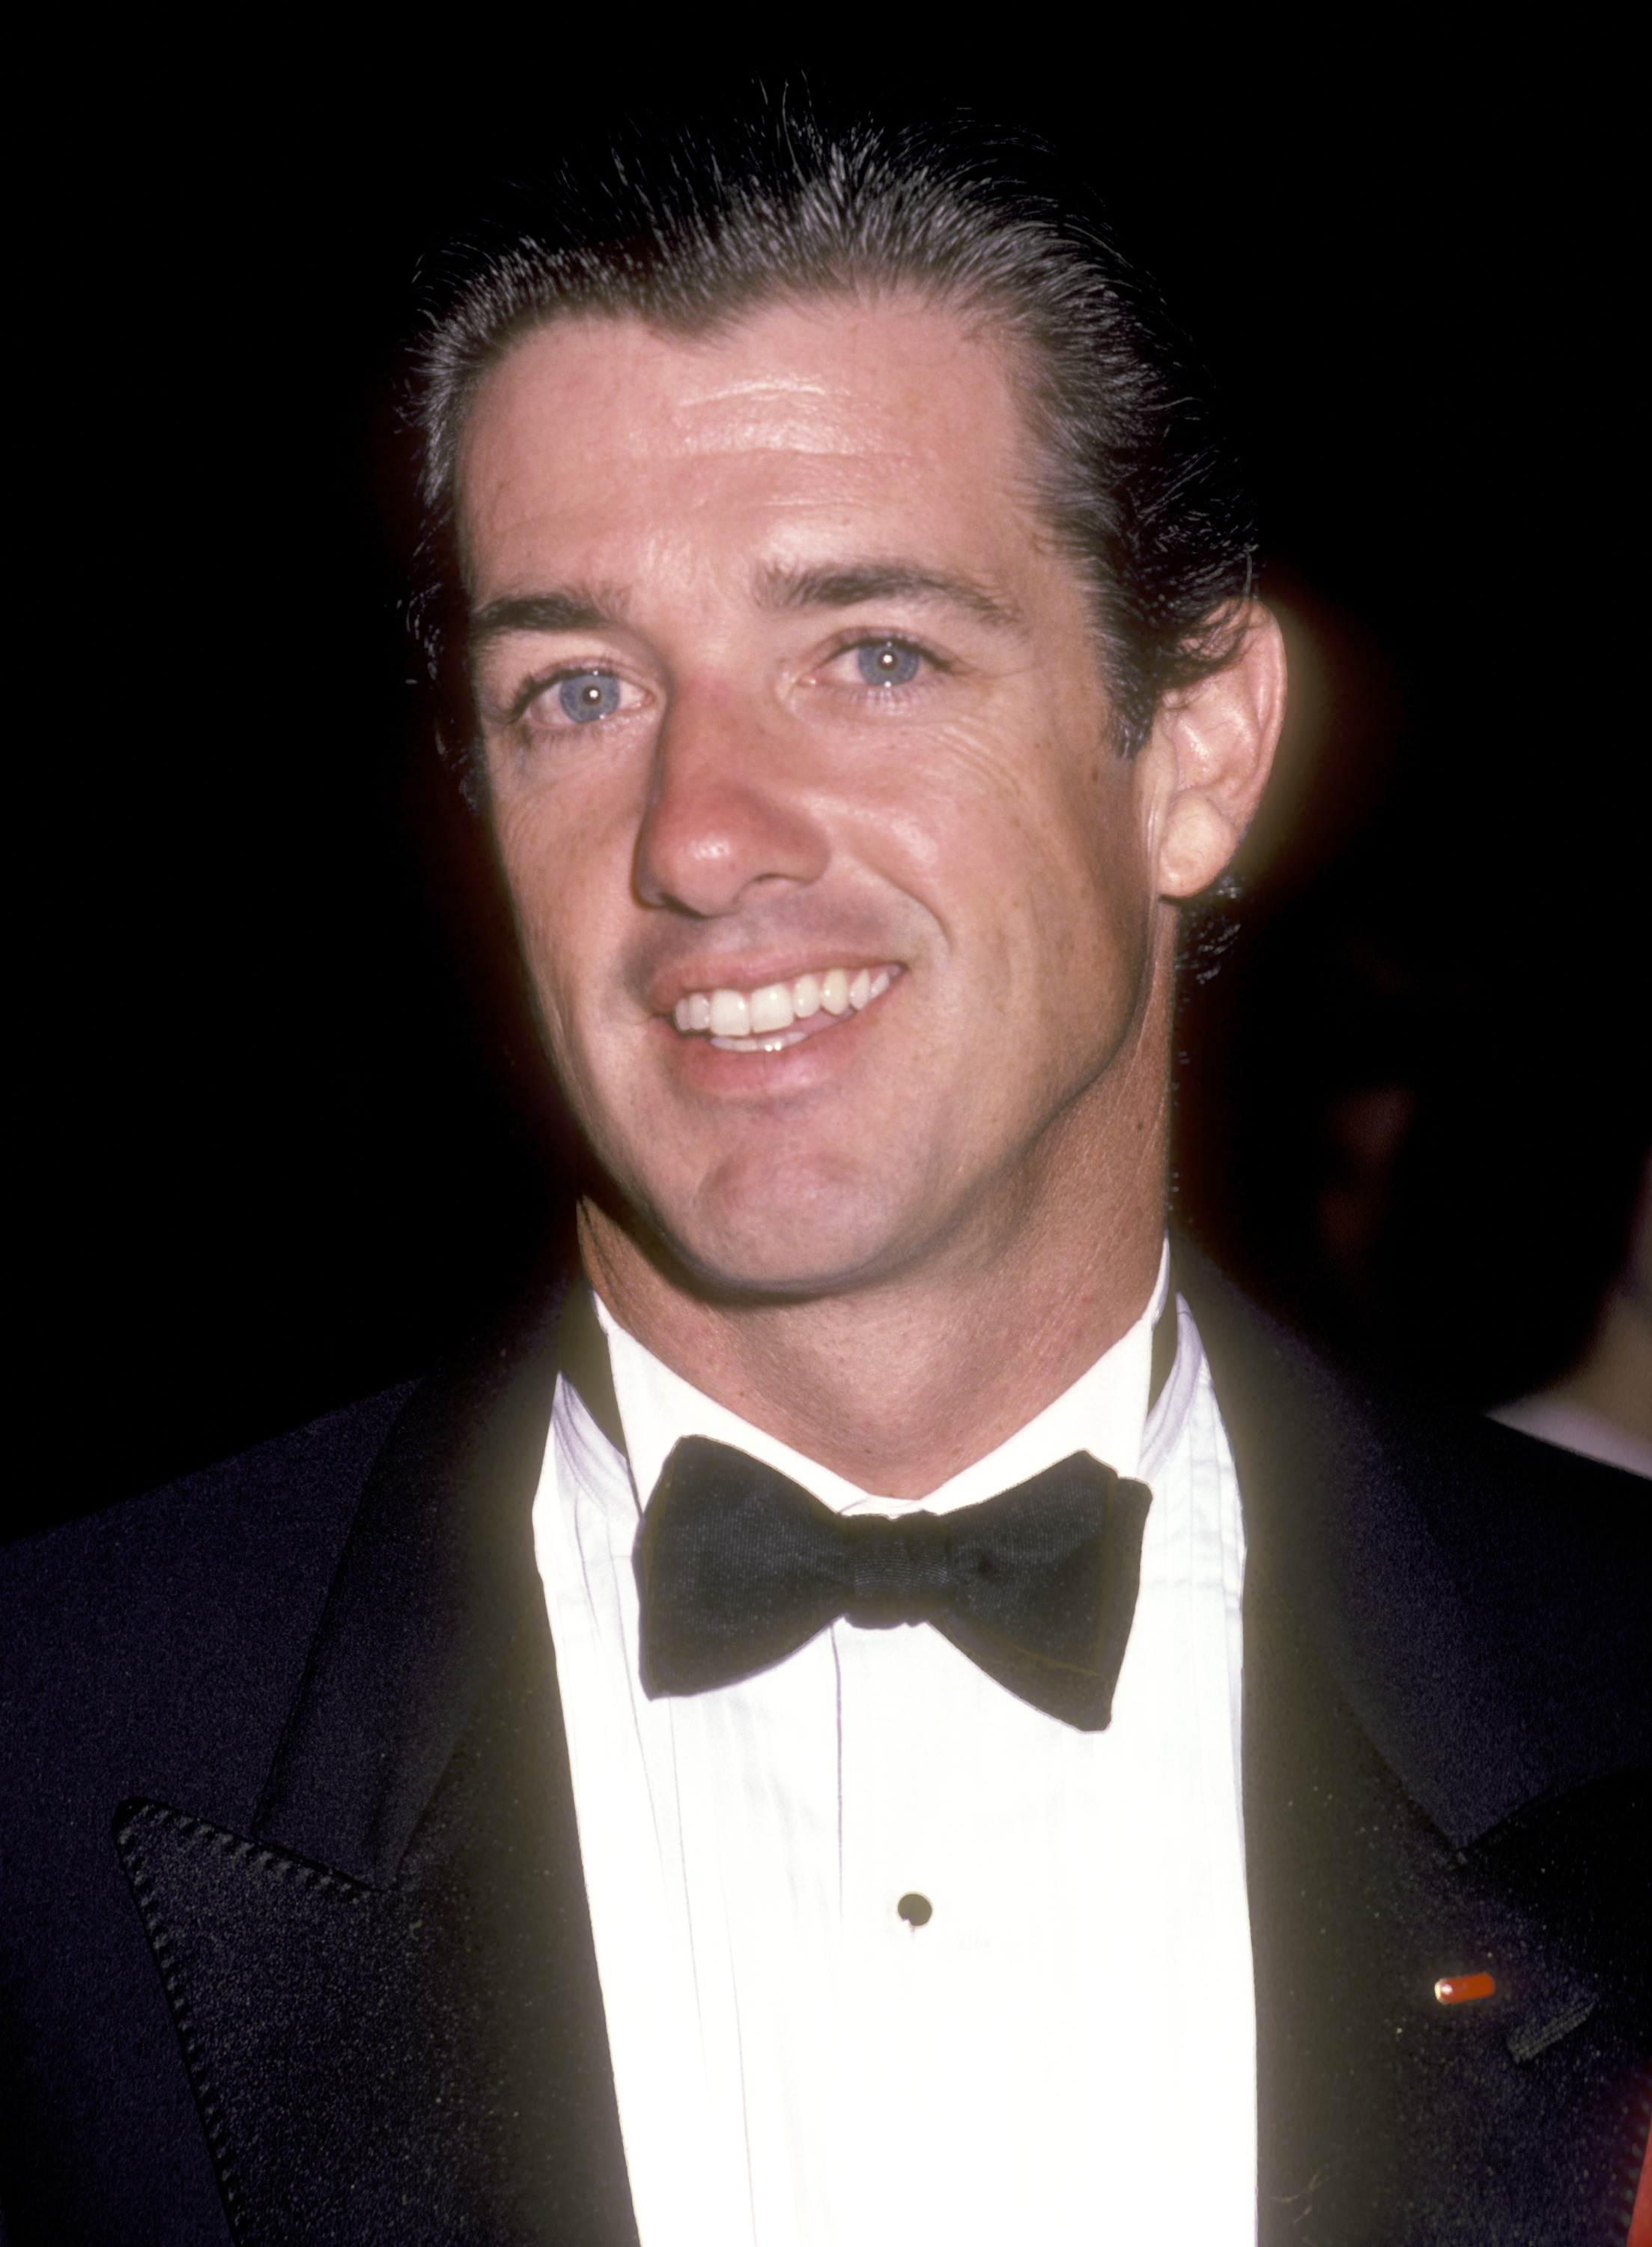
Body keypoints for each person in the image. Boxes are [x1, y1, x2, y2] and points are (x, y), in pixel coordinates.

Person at [3, 102, 1648, 2247]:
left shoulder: (1616, 1679)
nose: (700, 833)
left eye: (871, 655)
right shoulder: (48, 1750)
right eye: (579, 689)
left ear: (1198, 754)